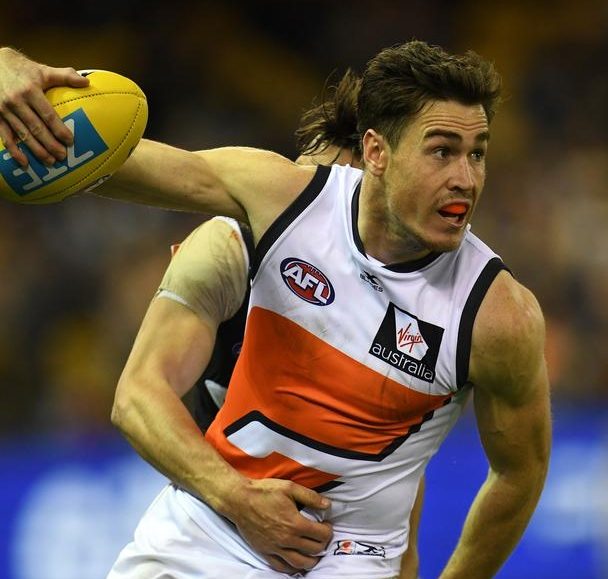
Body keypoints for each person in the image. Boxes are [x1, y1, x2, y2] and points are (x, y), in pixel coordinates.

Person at [0, 40, 552, 578]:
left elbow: (518, 473)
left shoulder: (497, 316)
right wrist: (6, 78)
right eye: (442, 152)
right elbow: (101, 162)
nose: (466, 179)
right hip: (206, 533)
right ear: (376, 154)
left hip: (349, 559)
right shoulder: (275, 207)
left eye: (477, 153)